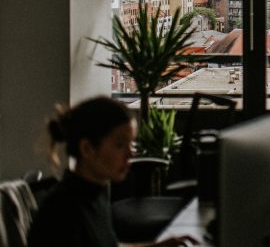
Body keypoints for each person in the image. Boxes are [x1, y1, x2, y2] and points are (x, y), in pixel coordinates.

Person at [28, 96, 197, 247]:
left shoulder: (95, 192)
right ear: (87, 149)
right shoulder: (62, 210)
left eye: (131, 144)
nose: (131, 154)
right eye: (120, 145)